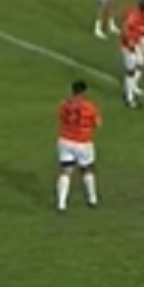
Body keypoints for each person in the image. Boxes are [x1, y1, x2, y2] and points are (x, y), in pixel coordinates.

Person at [55, 80, 102, 213]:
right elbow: (98, 123)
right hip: (83, 142)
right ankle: (92, 199)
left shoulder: (64, 105)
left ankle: (61, 204)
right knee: (87, 169)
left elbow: (61, 119)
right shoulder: (89, 107)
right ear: (84, 92)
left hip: (65, 140)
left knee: (65, 171)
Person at [118, 2, 144, 108]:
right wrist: (129, 43)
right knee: (130, 71)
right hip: (129, 47)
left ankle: (133, 87)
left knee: (141, 64)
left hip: (136, 44)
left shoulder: (139, 16)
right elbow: (125, 29)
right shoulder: (134, 16)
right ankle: (129, 98)